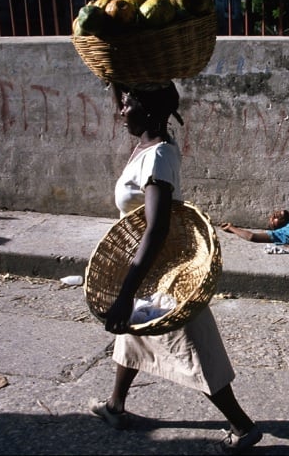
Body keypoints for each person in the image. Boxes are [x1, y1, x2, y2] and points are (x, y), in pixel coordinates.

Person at [89, 81, 262, 454]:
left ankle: (242, 426)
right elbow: (122, 100)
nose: (120, 111)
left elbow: (157, 229)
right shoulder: (144, 145)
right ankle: (116, 406)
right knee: (133, 333)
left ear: (148, 110)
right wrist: (115, 75)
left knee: (193, 348)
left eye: (127, 105)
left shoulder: (159, 157)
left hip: (163, 270)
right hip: (145, 268)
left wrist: (126, 292)